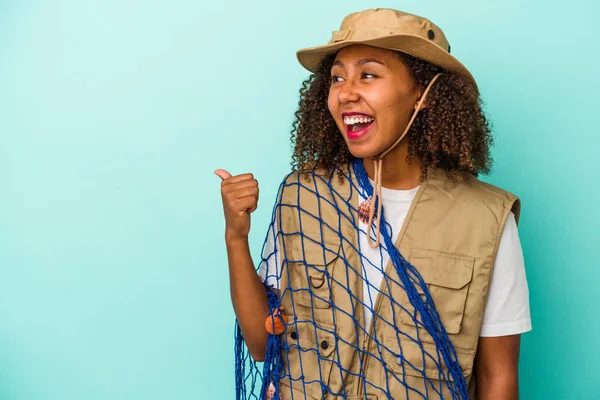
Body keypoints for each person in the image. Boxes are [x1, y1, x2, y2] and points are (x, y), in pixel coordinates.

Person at [216, 8, 531, 400]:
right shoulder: (303, 195)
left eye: (368, 74)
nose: (346, 92)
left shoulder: (487, 219)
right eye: (337, 77)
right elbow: (262, 344)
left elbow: (497, 377)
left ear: (424, 93)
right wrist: (236, 236)